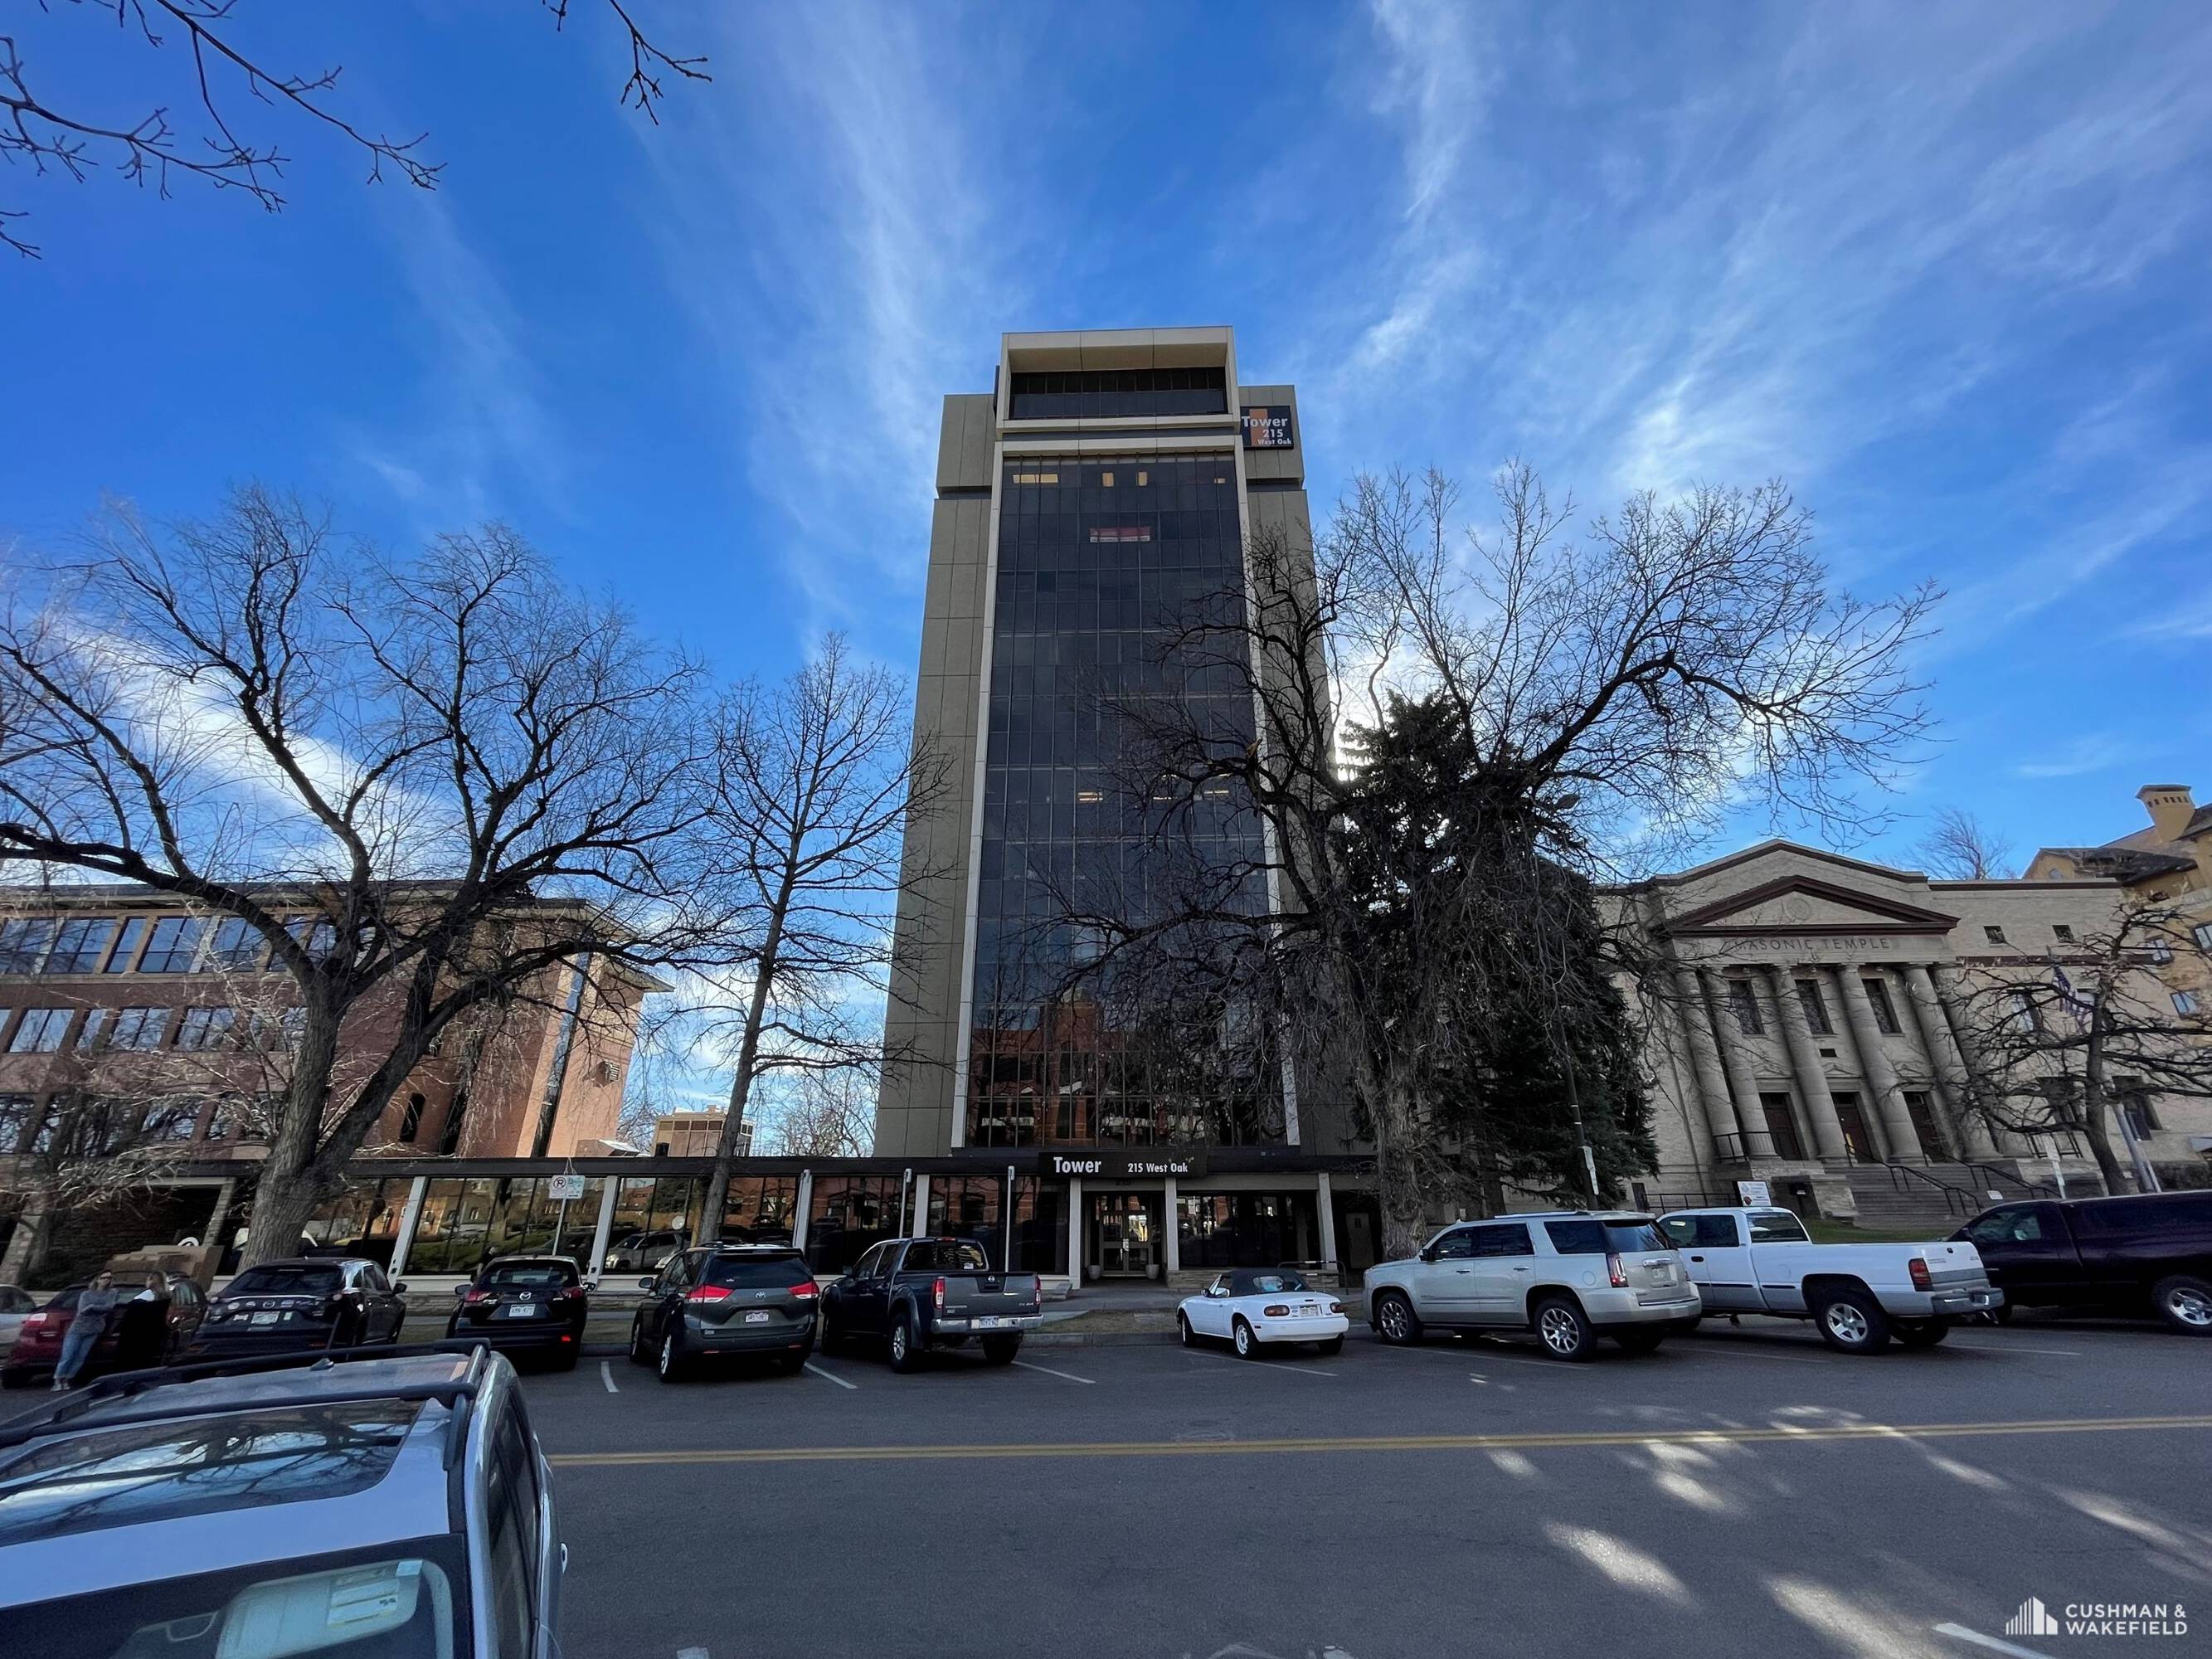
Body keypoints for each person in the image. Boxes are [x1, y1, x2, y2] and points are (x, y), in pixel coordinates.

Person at [53, 1270, 120, 1391]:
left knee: (81, 1356)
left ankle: (68, 1378)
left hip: (95, 1328)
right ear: (97, 1280)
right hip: (78, 1327)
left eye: (109, 1278)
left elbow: (109, 1307)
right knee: (68, 1354)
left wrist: (92, 1307)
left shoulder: (112, 1293)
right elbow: (83, 1310)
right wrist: (95, 1309)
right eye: (103, 1278)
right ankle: (58, 1379)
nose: (106, 1280)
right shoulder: (86, 1294)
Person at [115, 1272, 173, 1371]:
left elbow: (131, 1315)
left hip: (135, 1335)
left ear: (151, 1280)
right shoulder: (167, 1297)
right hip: (153, 1335)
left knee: (128, 1364)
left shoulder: (145, 1296)